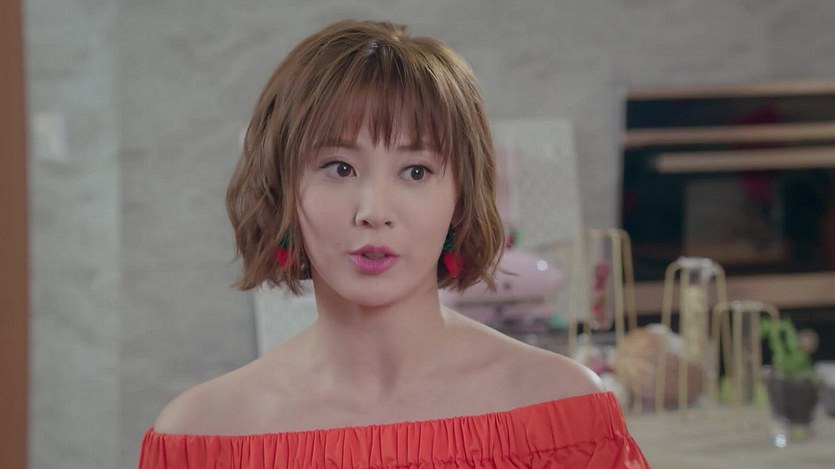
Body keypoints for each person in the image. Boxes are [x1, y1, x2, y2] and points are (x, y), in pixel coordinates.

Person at [138, 19, 649, 468]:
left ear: (461, 198)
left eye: (415, 171)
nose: (375, 211)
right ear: (283, 190)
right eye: (339, 168)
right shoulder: (200, 437)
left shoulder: (565, 414)